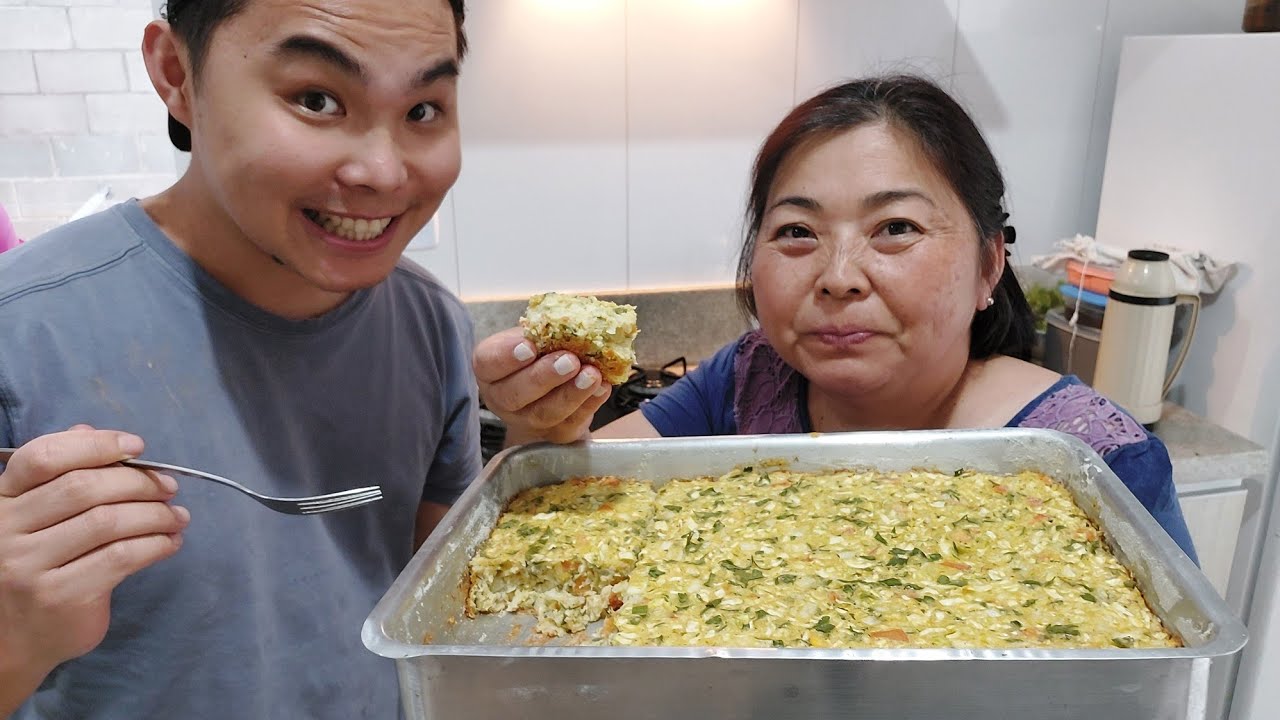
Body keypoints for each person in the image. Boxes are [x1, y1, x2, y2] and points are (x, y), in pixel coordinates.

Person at [0, 1, 560, 718]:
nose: (384, 172)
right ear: (176, 74)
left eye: (423, 109)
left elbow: (441, 604)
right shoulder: (23, 336)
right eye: (317, 100)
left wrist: (537, 442)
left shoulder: (428, 320)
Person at [473, 74, 1197, 563]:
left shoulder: (1092, 462)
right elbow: (559, 505)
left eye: (895, 228)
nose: (840, 277)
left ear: (988, 265)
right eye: (797, 232)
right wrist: (544, 424)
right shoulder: (747, 382)